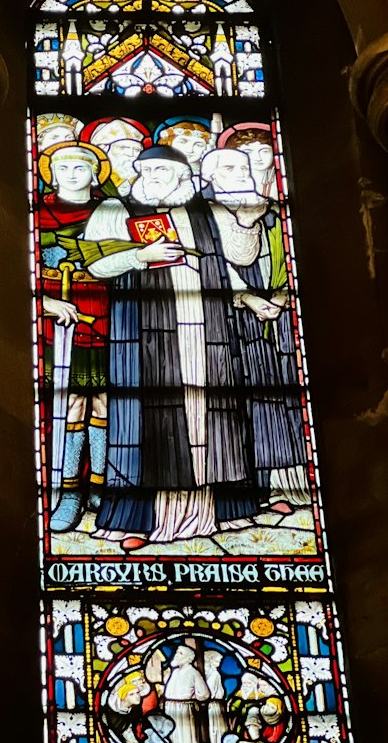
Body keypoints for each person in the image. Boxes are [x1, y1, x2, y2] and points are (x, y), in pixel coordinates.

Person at [82, 145, 260, 550]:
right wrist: (141, 255)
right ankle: (142, 520)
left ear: (183, 173)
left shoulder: (202, 212)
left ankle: (216, 510)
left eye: (164, 168)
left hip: (205, 326)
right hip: (146, 331)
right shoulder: (116, 208)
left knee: (212, 413)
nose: (155, 174)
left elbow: (239, 258)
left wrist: (247, 223)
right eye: (147, 169)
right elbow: (96, 265)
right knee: (152, 419)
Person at [201, 147, 309, 512]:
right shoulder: (202, 213)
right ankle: (238, 493)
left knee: (270, 402)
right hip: (223, 318)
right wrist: (246, 297)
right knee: (230, 404)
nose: (241, 173)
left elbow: (287, 256)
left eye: (244, 166)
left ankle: (271, 487)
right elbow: (210, 260)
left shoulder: (272, 212)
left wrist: (279, 297)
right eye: (229, 168)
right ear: (211, 178)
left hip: (271, 320)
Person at [36, 140, 111, 531]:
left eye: (80, 167)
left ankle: (100, 482)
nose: (71, 174)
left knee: (105, 402)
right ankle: (69, 492)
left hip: (106, 314)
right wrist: (47, 304)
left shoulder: (109, 211)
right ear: (50, 174)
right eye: (62, 168)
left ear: (95, 174)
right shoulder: (37, 215)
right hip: (59, 323)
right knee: (72, 405)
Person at [80, 117, 150, 195]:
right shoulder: (93, 181)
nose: (131, 154)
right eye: (122, 147)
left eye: (137, 150)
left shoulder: (148, 181)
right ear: (105, 150)